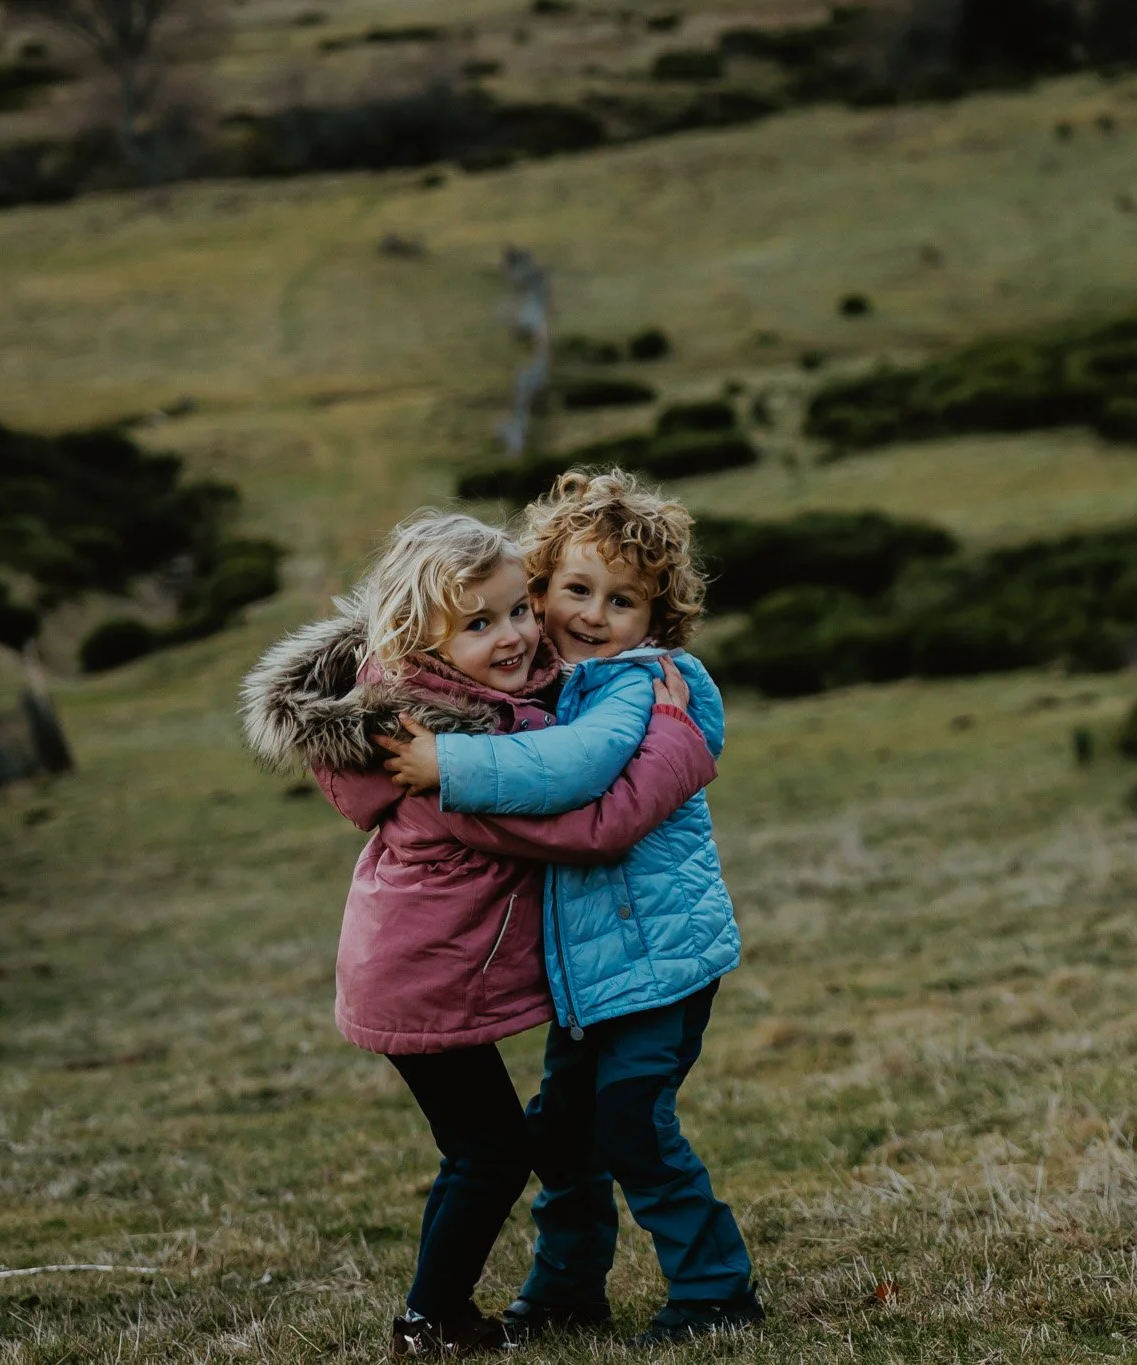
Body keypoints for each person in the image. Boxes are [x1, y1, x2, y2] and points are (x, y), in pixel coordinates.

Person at [240, 510, 713, 1357]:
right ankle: (432, 1319)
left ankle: (498, 1302)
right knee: (490, 1152)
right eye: (481, 623)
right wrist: (677, 736)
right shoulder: (437, 754)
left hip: (421, 969)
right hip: (424, 978)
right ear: (420, 642)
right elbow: (584, 824)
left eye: (519, 610)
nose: (519, 635)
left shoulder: (464, 708)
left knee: (501, 1143)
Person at [376, 470, 763, 1346]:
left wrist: (452, 769)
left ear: (655, 618)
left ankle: (714, 1289)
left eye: (621, 600)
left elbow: (577, 769)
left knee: (630, 1118)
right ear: (539, 587)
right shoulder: (545, 677)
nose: (593, 614)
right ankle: (563, 1289)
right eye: (576, 589)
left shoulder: (641, 683)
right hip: (587, 972)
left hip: (660, 960)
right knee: (562, 1131)